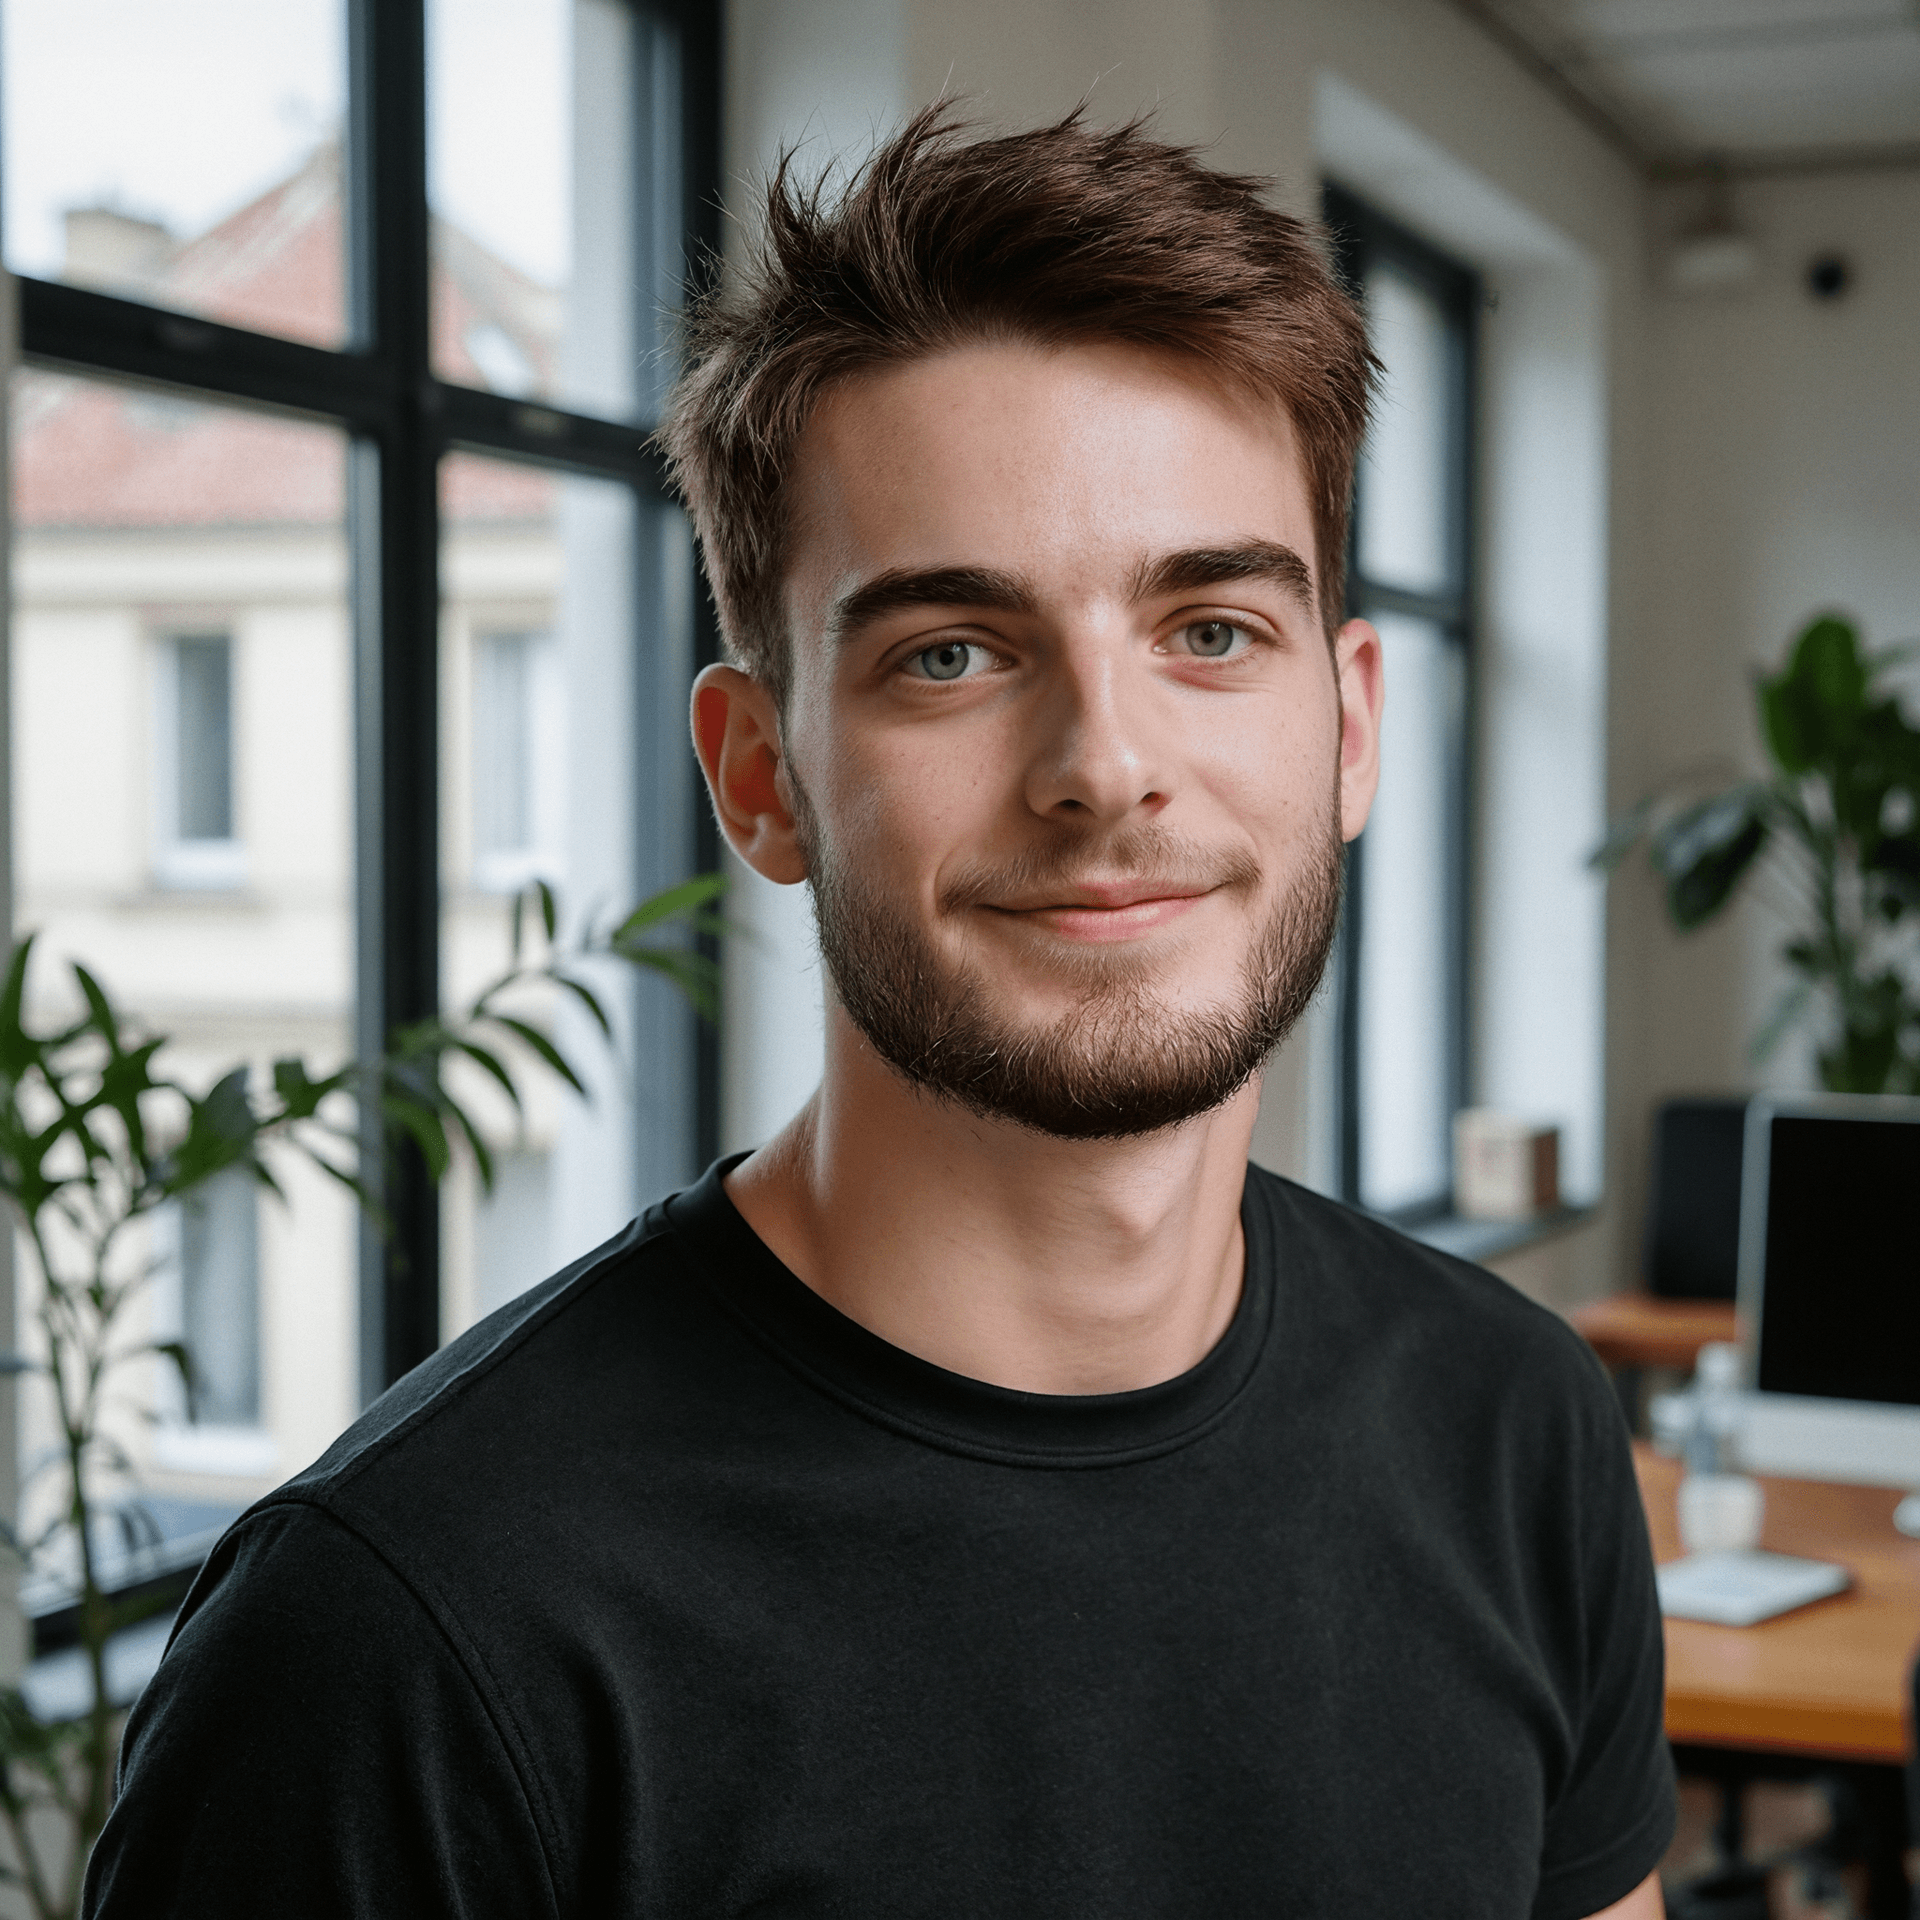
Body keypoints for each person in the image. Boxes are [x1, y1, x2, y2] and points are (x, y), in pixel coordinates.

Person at [86, 108, 1674, 1918]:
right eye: (952, 654)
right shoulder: (402, 1644)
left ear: (1353, 725)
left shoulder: (1515, 1431)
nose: (1106, 767)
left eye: (1213, 631)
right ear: (760, 778)